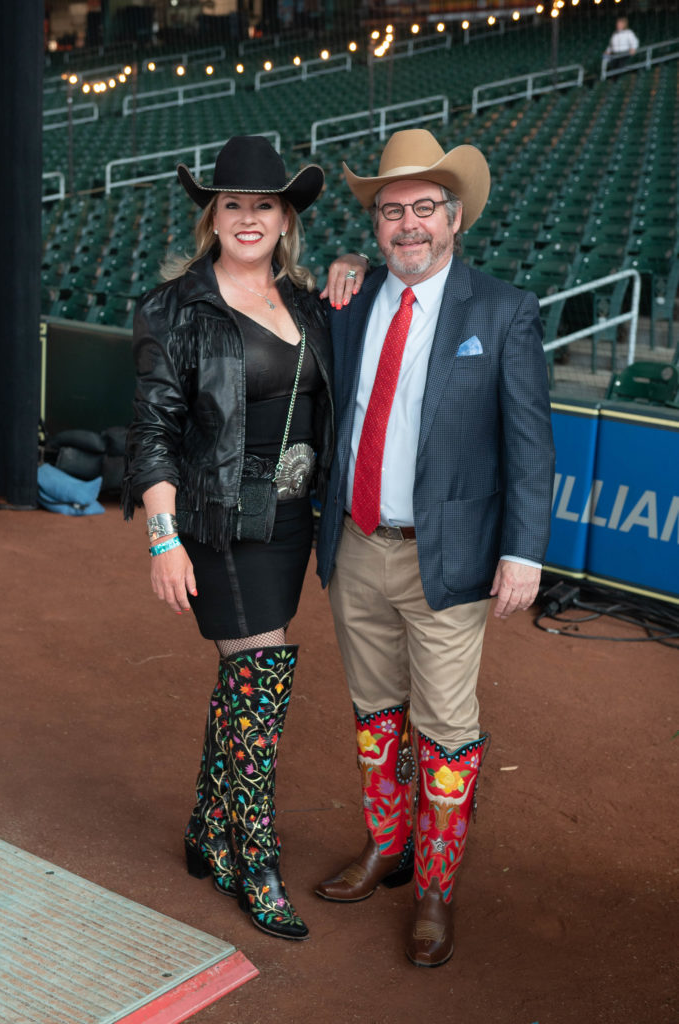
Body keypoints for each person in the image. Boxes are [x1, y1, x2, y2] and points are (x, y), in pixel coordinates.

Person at [314, 129, 555, 967]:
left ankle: (435, 888)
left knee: (446, 730)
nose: (407, 225)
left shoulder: (503, 309)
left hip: (447, 560)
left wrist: (523, 552)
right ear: (374, 226)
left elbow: (530, 444)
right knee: (375, 714)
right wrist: (342, 262)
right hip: (355, 544)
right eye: (390, 212)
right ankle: (389, 847)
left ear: (455, 219)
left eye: (423, 209)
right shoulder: (348, 302)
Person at [122, 135, 365, 941]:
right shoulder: (174, 308)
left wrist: (355, 263)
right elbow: (153, 431)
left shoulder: (307, 302)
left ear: (287, 217)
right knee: (261, 676)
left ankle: (203, 825)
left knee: (244, 678)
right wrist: (163, 539)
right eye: (234, 203)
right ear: (212, 215)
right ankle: (255, 856)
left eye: (266, 203)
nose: (250, 217)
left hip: (293, 521)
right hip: (219, 520)